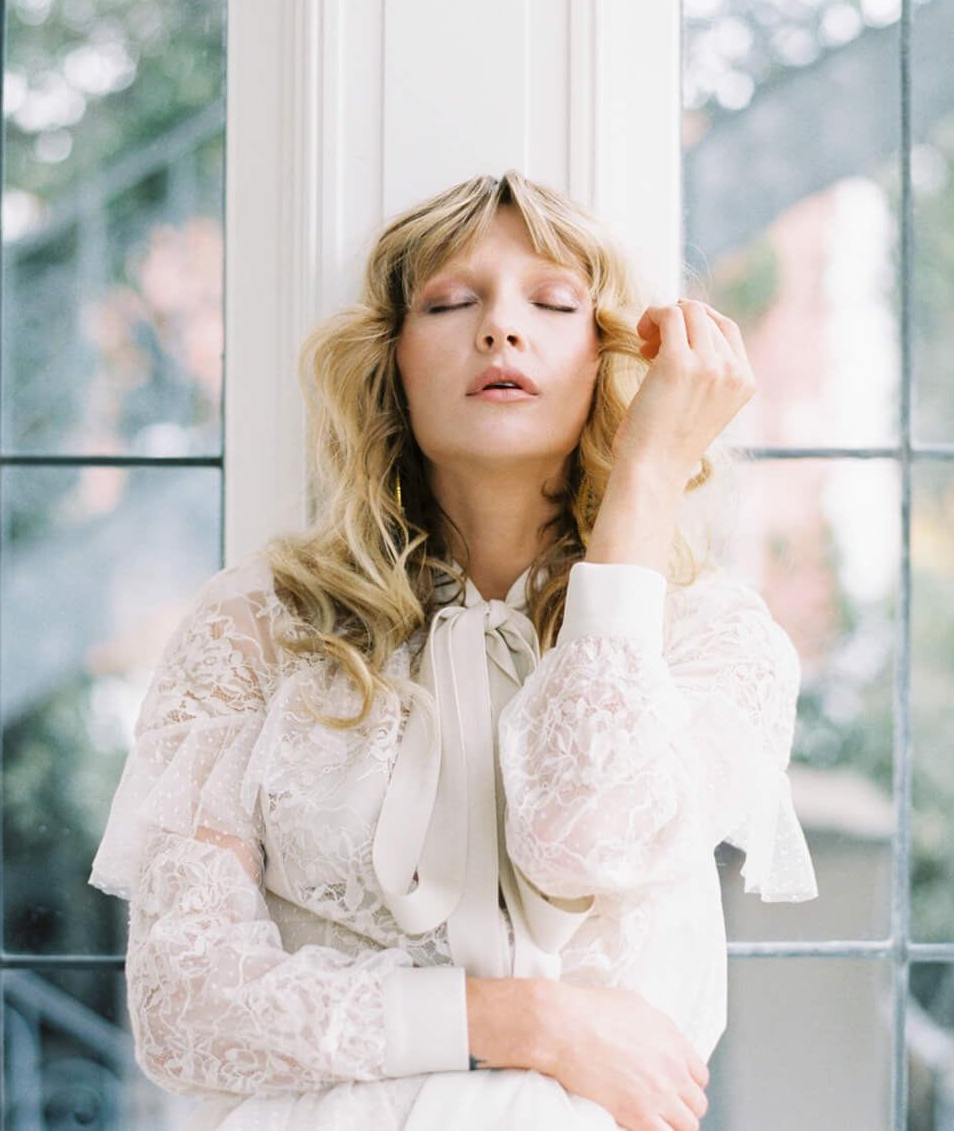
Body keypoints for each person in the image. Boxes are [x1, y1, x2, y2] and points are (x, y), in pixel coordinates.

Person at [89, 172, 819, 1131]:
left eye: (552, 303)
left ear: (607, 357)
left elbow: (580, 839)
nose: (500, 329)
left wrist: (645, 476)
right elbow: (184, 1008)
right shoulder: (253, 625)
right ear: (390, 359)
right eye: (448, 302)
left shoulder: (715, 640)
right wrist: (525, 1021)